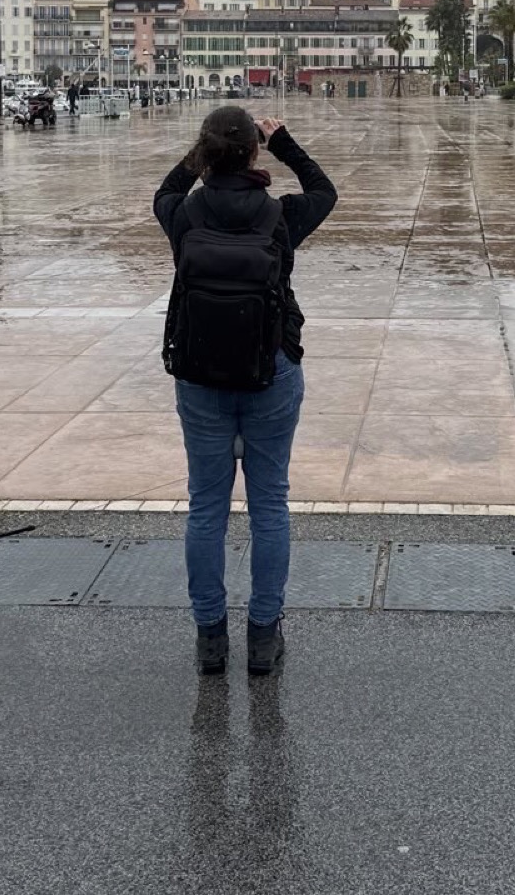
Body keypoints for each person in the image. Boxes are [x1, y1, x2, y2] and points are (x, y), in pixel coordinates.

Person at [154, 106, 336, 676]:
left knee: (206, 507)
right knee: (269, 506)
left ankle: (210, 637)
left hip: (200, 375)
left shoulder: (184, 215)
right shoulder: (278, 217)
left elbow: (165, 191)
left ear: (205, 154)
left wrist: (201, 154)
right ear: (254, 153)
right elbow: (324, 191)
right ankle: (263, 634)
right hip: (270, 371)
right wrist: (283, 142)